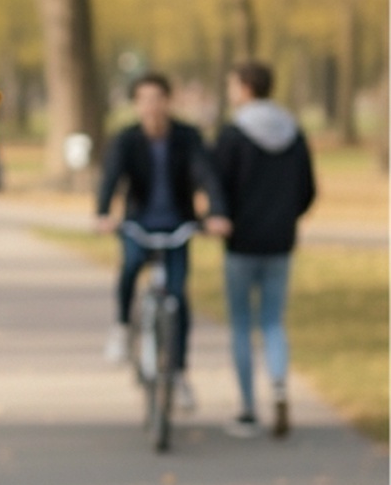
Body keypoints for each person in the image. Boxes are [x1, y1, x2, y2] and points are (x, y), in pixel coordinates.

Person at [95, 71, 230, 411]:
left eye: (157, 99)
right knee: (130, 267)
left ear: (168, 101)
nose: (151, 106)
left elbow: (206, 175)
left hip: (177, 226)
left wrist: (216, 212)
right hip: (139, 223)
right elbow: (111, 177)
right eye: (144, 100)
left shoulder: (187, 136)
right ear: (136, 104)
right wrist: (103, 213)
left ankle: (180, 374)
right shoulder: (126, 139)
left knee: (178, 298)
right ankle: (121, 327)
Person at [213, 61, 316, 437]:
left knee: (241, 323)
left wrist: (222, 217)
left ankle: (247, 408)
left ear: (244, 88)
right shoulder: (293, 131)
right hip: (281, 241)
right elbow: (307, 189)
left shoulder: (233, 134)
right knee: (273, 321)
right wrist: (286, 217)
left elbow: (217, 185)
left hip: (241, 242)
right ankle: (278, 387)